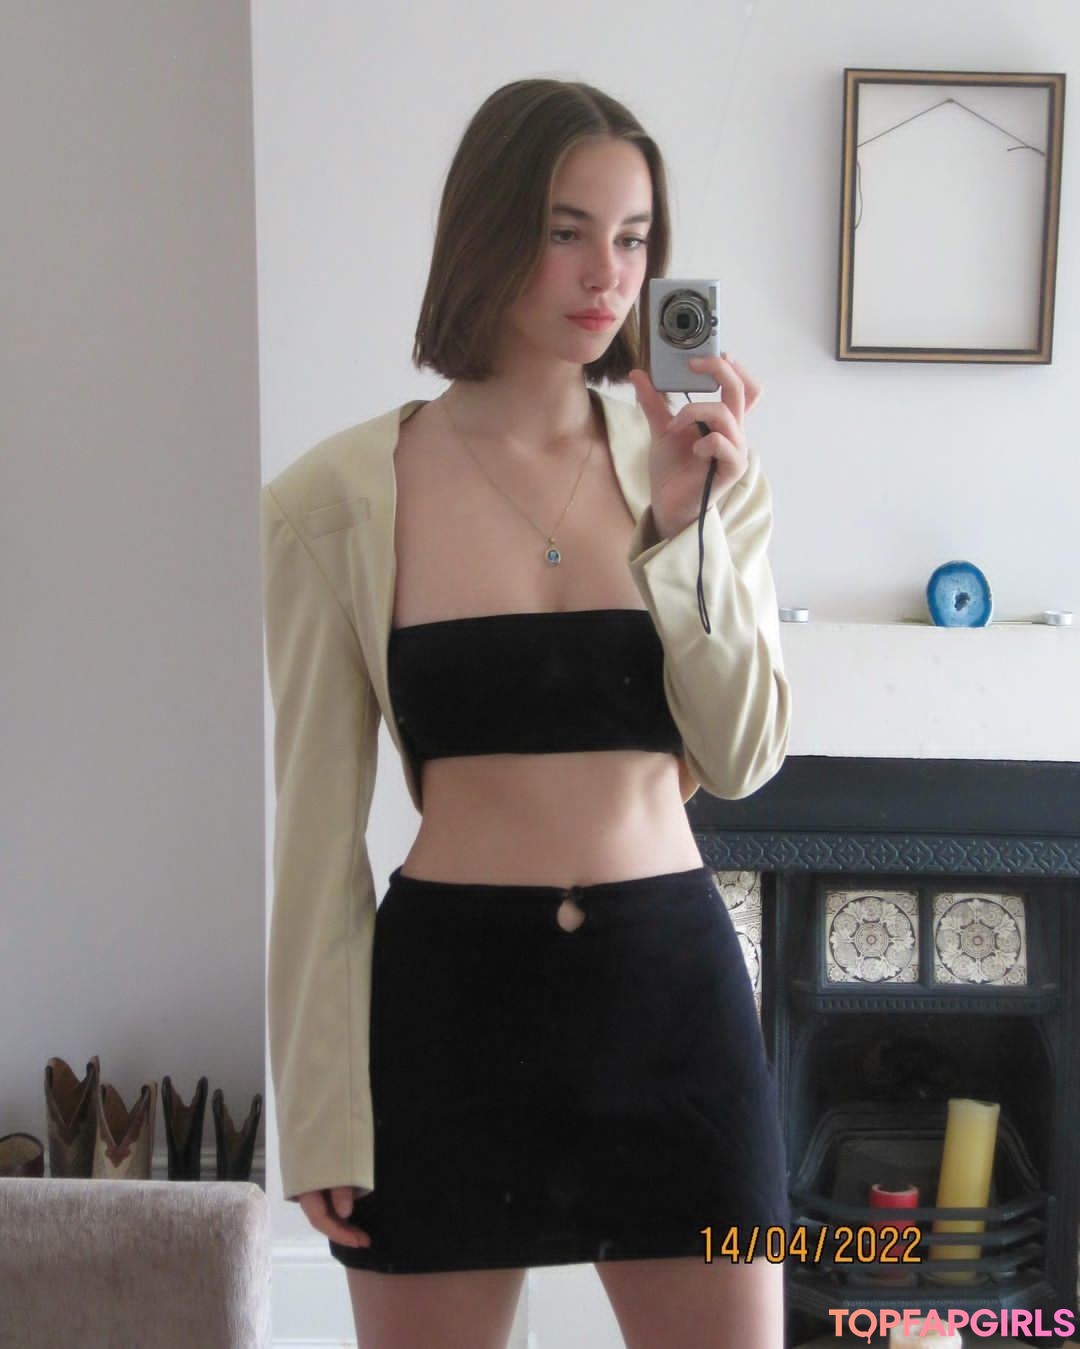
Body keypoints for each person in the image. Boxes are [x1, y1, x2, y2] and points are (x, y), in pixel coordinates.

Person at [260, 77, 792, 1349]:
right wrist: (320, 1106)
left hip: (670, 1004)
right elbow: (316, 832)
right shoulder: (332, 502)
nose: (607, 274)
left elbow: (742, 755)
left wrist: (685, 529)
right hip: (449, 1016)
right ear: (488, 229)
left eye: (634, 237)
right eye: (566, 230)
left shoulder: (703, 470)